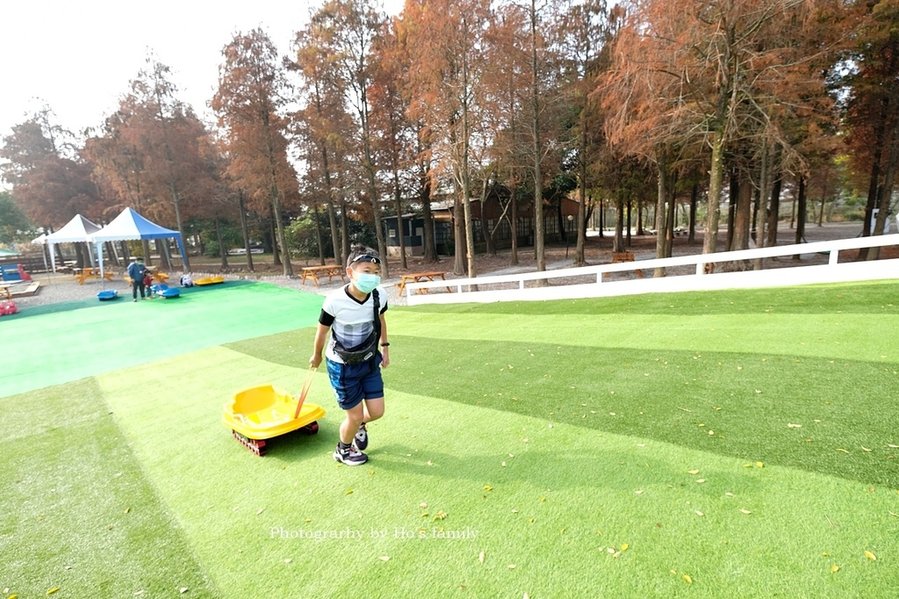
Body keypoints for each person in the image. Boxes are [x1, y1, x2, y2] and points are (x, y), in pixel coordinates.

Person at [310, 245, 390, 466]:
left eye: (376, 272)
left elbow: (381, 320)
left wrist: (385, 348)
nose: (372, 277)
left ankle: (358, 426)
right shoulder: (334, 300)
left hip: (369, 360)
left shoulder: (379, 295)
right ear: (350, 272)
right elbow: (322, 331)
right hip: (342, 365)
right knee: (353, 415)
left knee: (376, 412)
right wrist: (316, 356)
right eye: (366, 271)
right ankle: (342, 450)